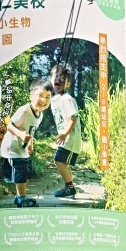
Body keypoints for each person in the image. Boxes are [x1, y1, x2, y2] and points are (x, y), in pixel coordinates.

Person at [0, 78, 51, 208]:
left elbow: (31, 130)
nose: (43, 100)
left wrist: (30, 143)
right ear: (31, 96)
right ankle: (21, 199)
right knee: (21, 172)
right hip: (12, 148)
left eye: (47, 97)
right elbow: (10, 125)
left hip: (22, 148)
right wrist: (21, 134)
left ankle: (20, 197)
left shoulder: (40, 115)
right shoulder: (24, 111)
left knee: (27, 172)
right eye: (40, 96)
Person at [50, 64, 82, 198]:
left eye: (62, 77)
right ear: (51, 80)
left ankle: (69, 187)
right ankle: (69, 187)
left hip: (70, 137)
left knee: (59, 161)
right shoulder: (54, 99)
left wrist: (64, 133)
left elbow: (73, 118)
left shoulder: (66, 99)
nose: (58, 79)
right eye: (55, 76)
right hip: (66, 137)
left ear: (68, 83)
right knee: (61, 162)